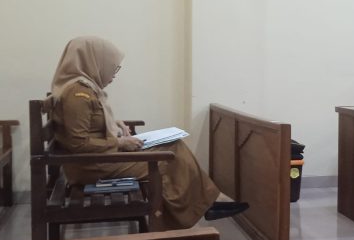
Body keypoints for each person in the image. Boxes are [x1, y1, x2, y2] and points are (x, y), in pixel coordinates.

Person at [50, 36, 248, 229]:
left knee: (175, 145)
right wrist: (120, 143)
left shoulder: (83, 89)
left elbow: (89, 123)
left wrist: (114, 124)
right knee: (166, 160)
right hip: (93, 167)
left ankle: (209, 201)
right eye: (112, 67)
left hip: (99, 158)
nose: (114, 74)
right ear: (94, 62)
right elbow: (78, 144)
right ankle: (184, 218)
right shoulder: (78, 94)